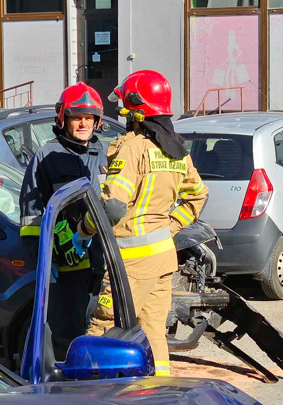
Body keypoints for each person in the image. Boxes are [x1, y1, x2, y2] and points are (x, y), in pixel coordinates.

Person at [76, 70, 208, 377]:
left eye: (123, 104)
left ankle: (79, 397)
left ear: (135, 107)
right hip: (163, 257)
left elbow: (113, 207)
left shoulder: (132, 146)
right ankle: (159, 391)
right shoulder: (175, 149)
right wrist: (169, 228)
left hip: (132, 263)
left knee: (102, 327)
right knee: (153, 333)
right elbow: (198, 195)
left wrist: (82, 232)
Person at [19, 82, 108, 358]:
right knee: (65, 337)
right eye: (76, 118)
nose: (83, 124)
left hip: (102, 263)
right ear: (63, 119)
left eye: (89, 118)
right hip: (65, 264)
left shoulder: (106, 155)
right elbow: (31, 214)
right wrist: (42, 260)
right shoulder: (47, 156)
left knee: (98, 333)